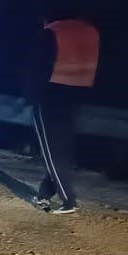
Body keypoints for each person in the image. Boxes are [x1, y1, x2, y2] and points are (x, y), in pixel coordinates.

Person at [30, 15, 99, 214]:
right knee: (64, 147)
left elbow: (37, 66)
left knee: (50, 149)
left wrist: (31, 95)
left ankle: (69, 200)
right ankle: (44, 194)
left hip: (51, 93)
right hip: (79, 92)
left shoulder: (51, 32)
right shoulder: (90, 30)